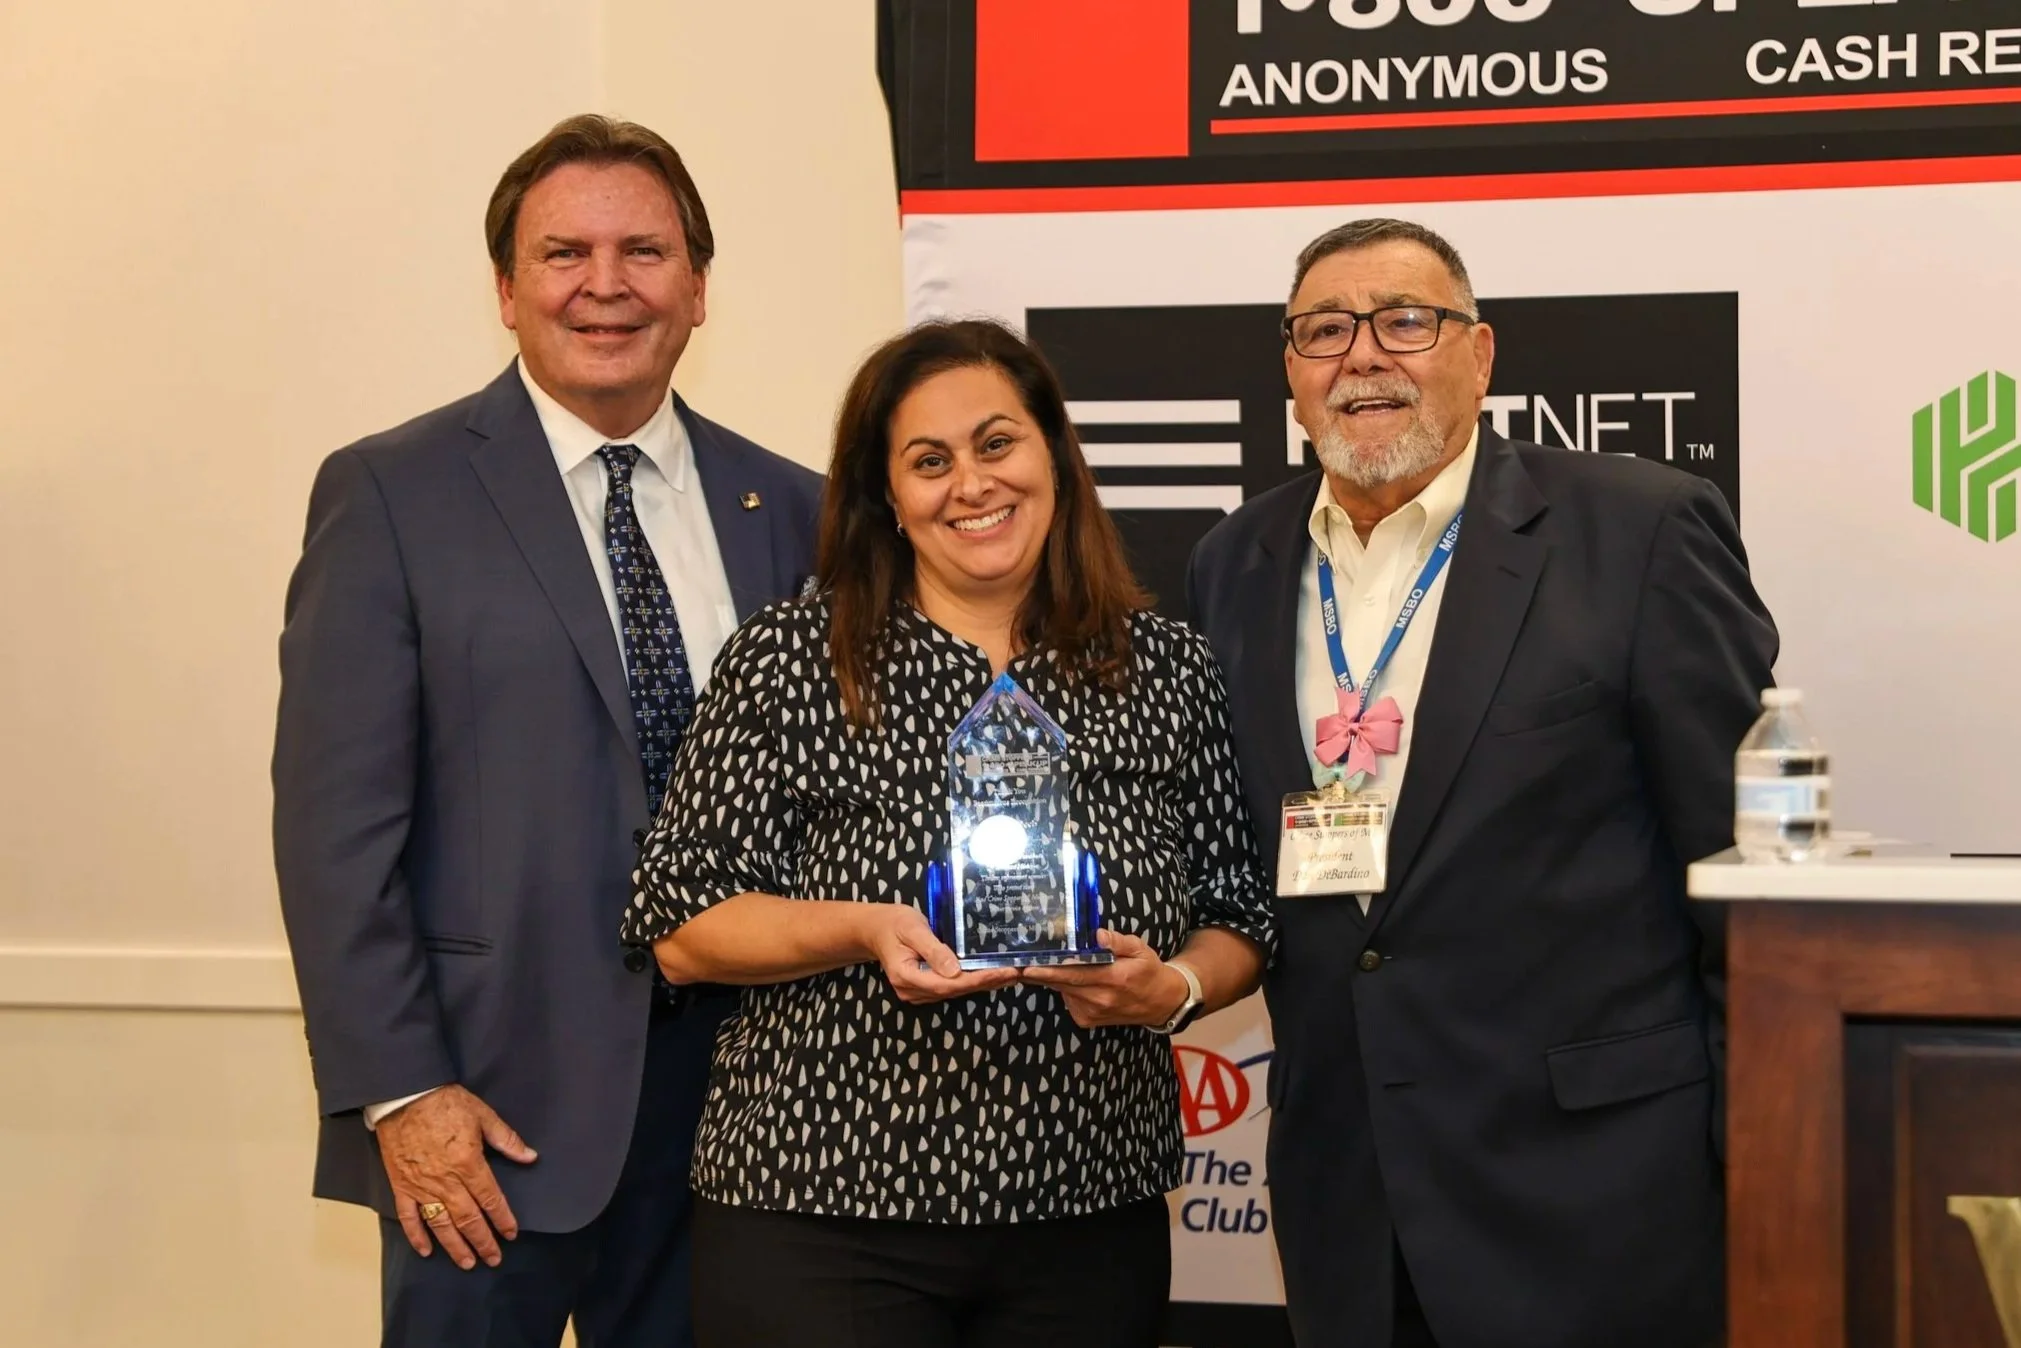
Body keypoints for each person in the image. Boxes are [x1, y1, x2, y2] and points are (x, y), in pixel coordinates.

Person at [272, 114, 822, 1348]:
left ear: (696, 288)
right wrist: (402, 1091)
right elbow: (332, 830)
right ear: (507, 290)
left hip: (749, 1120)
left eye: (644, 251)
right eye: (565, 252)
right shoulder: (391, 494)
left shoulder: (795, 509)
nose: (606, 284)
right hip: (485, 1115)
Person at [620, 317, 1275, 1348]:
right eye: (928, 461)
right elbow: (682, 921)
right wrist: (862, 927)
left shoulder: (1163, 668)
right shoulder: (794, 659)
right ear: (888, 495)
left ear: (1052, 456)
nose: (969, 484)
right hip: (822, 1210)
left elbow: (1239, 908)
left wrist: (1175, 987)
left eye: (995, 443)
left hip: (1085, 1208)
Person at [1186, 219, 1778, 1348]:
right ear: (1289, 373)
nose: (1362, 355)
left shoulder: (1636, 529)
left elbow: (1740, 868)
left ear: (1481, 355)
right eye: (1323, 330)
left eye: (1405, 321)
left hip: (1599, 1192)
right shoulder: (1234, 563)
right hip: (1348, 1197)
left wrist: (1760, 1145)